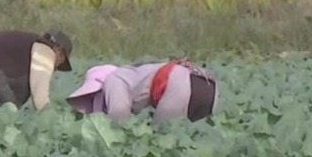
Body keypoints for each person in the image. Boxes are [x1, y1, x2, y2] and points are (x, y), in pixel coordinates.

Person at [65, 60, 218, 124]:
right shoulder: (133, 74)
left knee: (162, 140)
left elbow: (119, 120)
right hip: (209, 84)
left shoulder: (114, 80)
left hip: (179, 85)